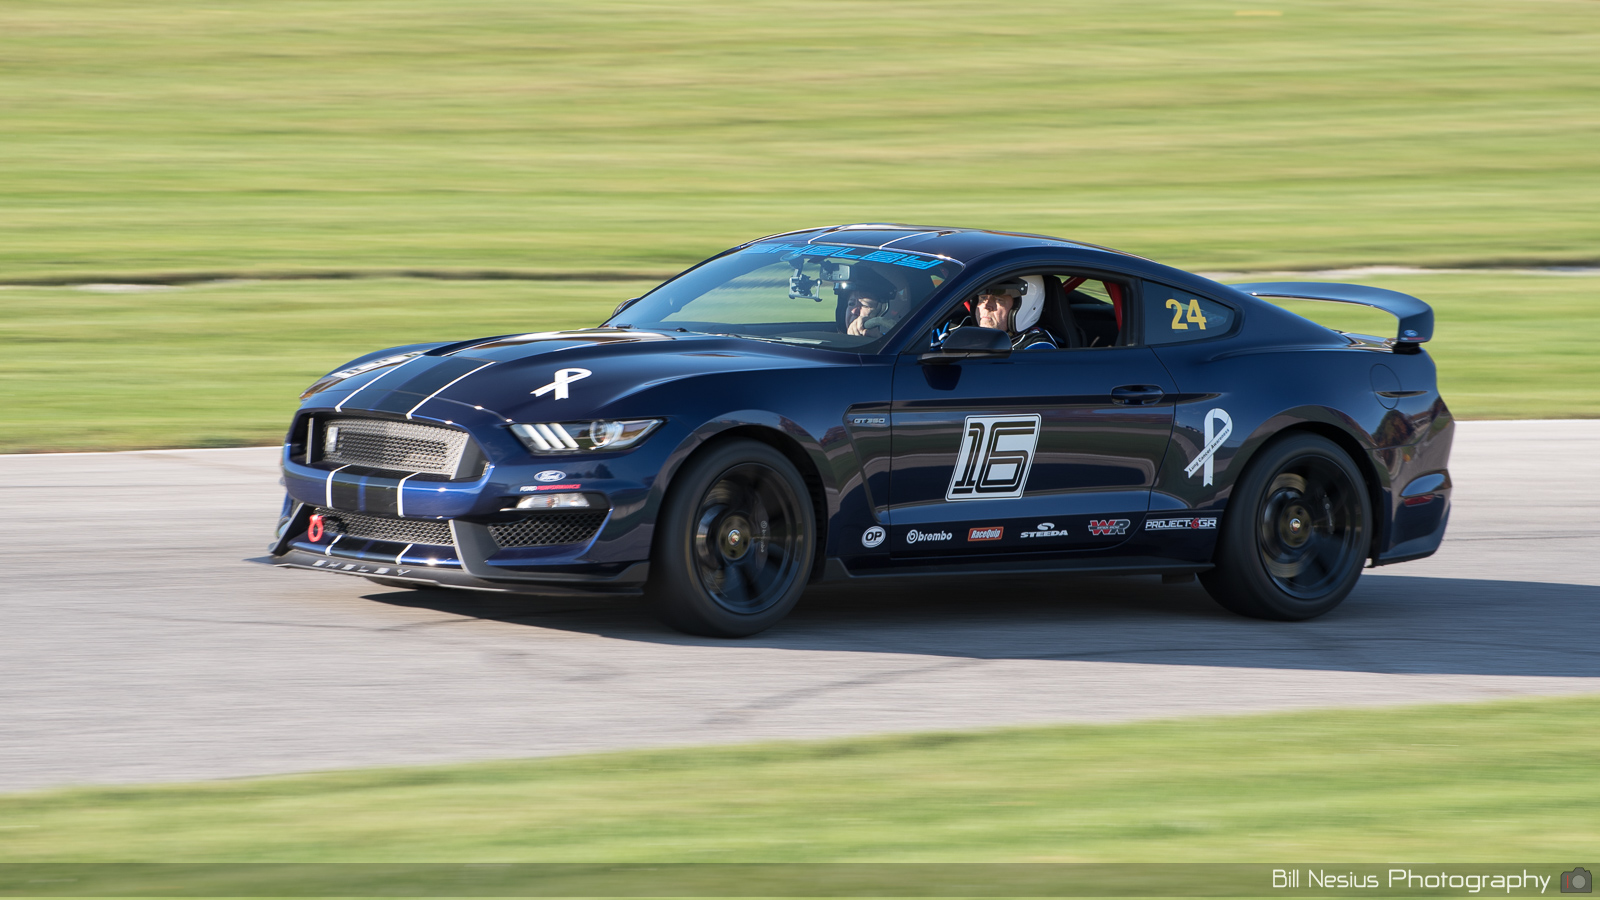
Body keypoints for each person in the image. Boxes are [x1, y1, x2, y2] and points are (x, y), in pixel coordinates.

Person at [939, 278, 1058, 350]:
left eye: (998, 299)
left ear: (1023, 306)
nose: (986, 306)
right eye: (982, 298)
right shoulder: (956, 327)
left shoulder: (1037, 348)